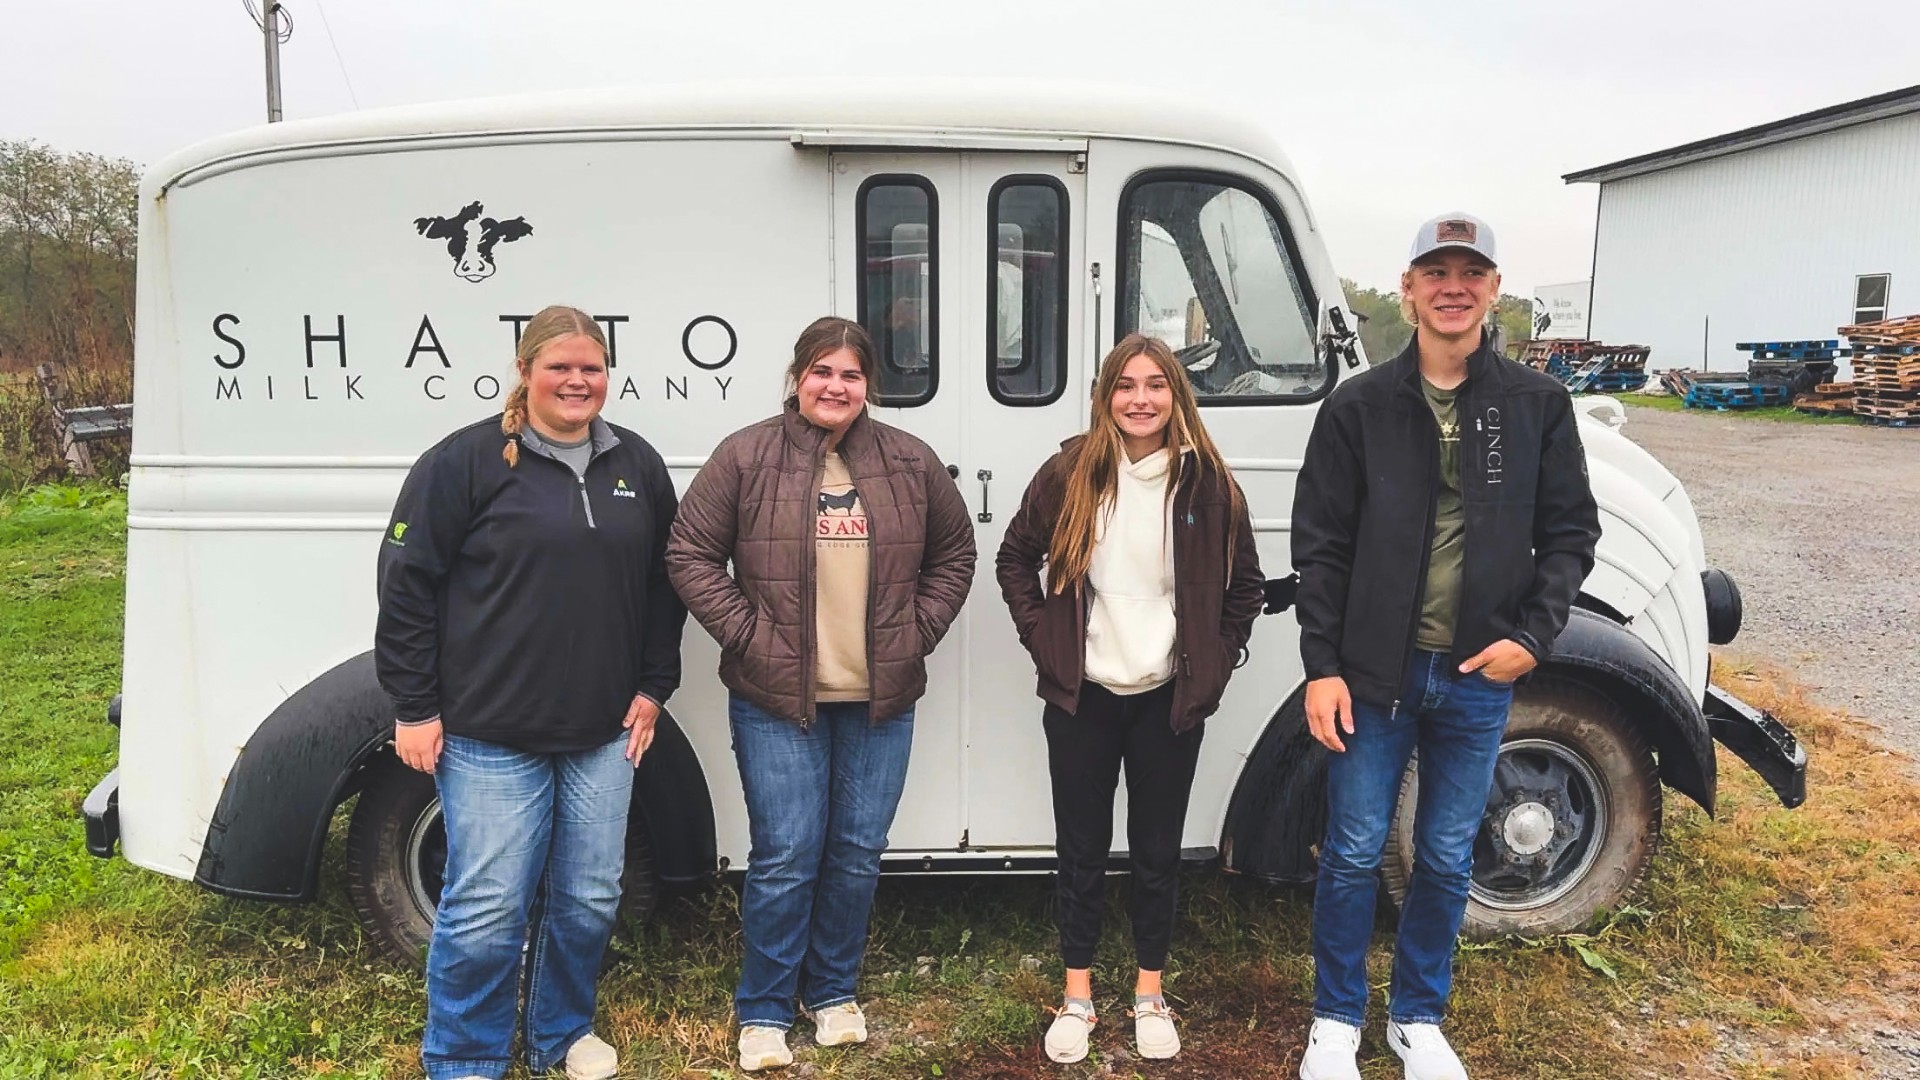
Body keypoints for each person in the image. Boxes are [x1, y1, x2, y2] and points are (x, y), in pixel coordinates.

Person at [1290, 214, 1601, 1080]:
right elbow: (1319, 544)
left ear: (1495, 290)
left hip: (1476, 676)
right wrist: (1323, 667)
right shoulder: (1358, 405)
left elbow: (1571, 532)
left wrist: (1532, 639)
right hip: (1372, 675)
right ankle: (1336, 1022)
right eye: (1436, 272)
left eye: (1471, 272)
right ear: (1409, 289)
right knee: (1353, 849)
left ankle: (1418, 1018)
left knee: (1445, 851)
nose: (1453, 287)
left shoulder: (1534, 405)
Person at [374, 304, 688, 1080]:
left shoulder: (636, 466)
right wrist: (414, 707)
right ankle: (464, 1056)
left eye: (592, 367)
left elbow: (664, 585)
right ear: (525, 371)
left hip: (604, 732)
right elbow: (406, 585)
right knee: (485, 909)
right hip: (488, 733)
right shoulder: (466, 462)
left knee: (588, 896)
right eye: (561, 367)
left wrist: (654, 686)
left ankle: (560, 1032)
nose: (578, 380)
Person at [665, 316, 977, 1072]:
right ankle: (766, 1008)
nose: (834, 387)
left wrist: (915, 631)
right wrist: (750, 635)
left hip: (879, 700)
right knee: (785, 855)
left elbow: (955, 554)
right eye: (821, 371)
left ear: (869, 386)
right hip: (777, 699)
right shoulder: (746, 455)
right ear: (797, 376)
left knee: (856, 853)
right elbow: (689, 551)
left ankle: (832, 991)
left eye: (850, 375)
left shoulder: (908, 459)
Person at [996, 333, 1264, 1065]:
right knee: (1079, 851)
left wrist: (1212, 662)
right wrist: (1045, 637)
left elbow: (1245, 589)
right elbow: (1015, 557)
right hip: (1082, 698)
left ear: (1177, 395)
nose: (1139, 399)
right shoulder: (1071, 472)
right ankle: (1077, 996)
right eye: (1125, 385)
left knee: (1155, 852)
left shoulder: (1208, 483)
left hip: (1166, 701)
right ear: (1105, 395)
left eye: (1155, 385)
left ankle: (1149, 992)